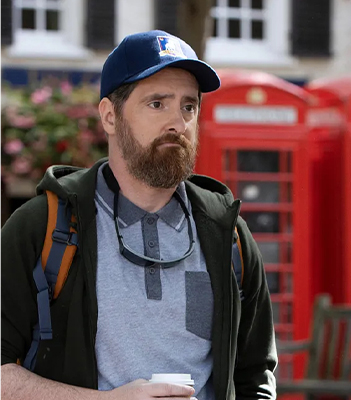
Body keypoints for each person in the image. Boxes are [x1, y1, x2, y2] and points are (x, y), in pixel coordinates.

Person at [1, 30, 277, 400]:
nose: (178, 124)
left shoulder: (228, 234)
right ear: (110, 116)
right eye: (157, 104)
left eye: (188, 106)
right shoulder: (44, 226)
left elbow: (255, 375)